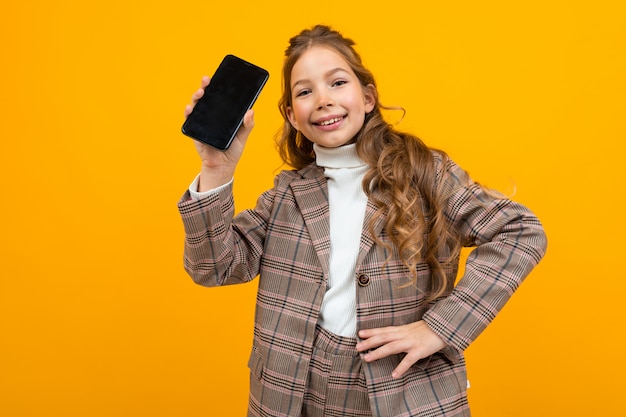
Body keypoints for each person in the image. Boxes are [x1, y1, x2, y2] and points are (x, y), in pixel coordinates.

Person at [178, 25, 547, 417]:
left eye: (337, 83)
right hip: (292, 393)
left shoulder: (425, 172)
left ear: (367, 97)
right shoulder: (287, 194)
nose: (323, 100)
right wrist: (216, 169)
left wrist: (442, 327)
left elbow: (519, 232)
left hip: (401, 392)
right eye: (304, 92)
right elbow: (213, 268)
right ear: (292, 115)